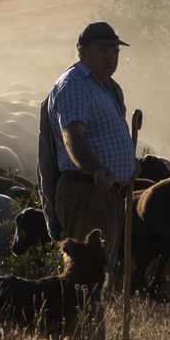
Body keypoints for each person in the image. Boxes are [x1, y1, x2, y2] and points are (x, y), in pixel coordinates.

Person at [42, 22, 137, 269]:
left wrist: (128, 165)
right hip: (87, 193)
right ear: (82, 51)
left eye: (115, 52)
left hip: (105, 195)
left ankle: (90, 309)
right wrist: (95, 170)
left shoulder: (106, 87)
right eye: (103, 51)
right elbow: (72, 135)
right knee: (86, 275)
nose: (111, 58)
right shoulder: (75, 84)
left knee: (99, 274)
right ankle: (81, 309)